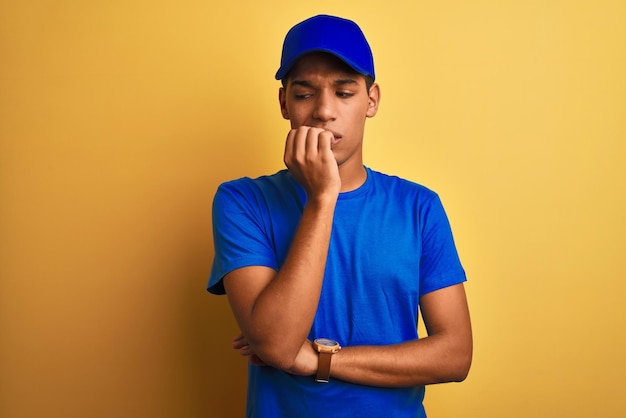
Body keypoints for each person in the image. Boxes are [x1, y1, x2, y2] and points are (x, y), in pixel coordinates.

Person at [208, 14, 472, 418]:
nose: (324, 111)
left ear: (372, 101)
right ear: (284, 104)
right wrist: (322, 198)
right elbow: (277, 345)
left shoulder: (418, 207)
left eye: (344, 92)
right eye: (304, 93)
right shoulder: (243, 201)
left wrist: (317, 360)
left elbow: (455, 355)